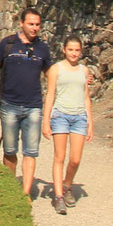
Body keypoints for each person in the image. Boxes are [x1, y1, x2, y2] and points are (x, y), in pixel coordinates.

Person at [0, 7, 51, 198]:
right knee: (10, 150)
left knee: (31, 152)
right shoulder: (8, 44)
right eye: (31, 24)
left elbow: (52, 74)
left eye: (37, 24)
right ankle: (10, 189)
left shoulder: (43, 48)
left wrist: (78, 77)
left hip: (34, 107)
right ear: (21, 23)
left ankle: (25, 194)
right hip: (9, 105)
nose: (35, 28)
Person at [43, 36, 93, 214]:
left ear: (81, 51)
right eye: (70, 50)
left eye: (77, 50)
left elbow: (86, 96)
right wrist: (46, 121)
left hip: (79, 116)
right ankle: (58, 196)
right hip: (60, 115)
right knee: (59, 157)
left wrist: (90, 121)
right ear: (64, 50)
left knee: (75, 159)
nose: (74, 53)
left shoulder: (84, 71)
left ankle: (67, 185)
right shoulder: (56, 69)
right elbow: (50, 95)